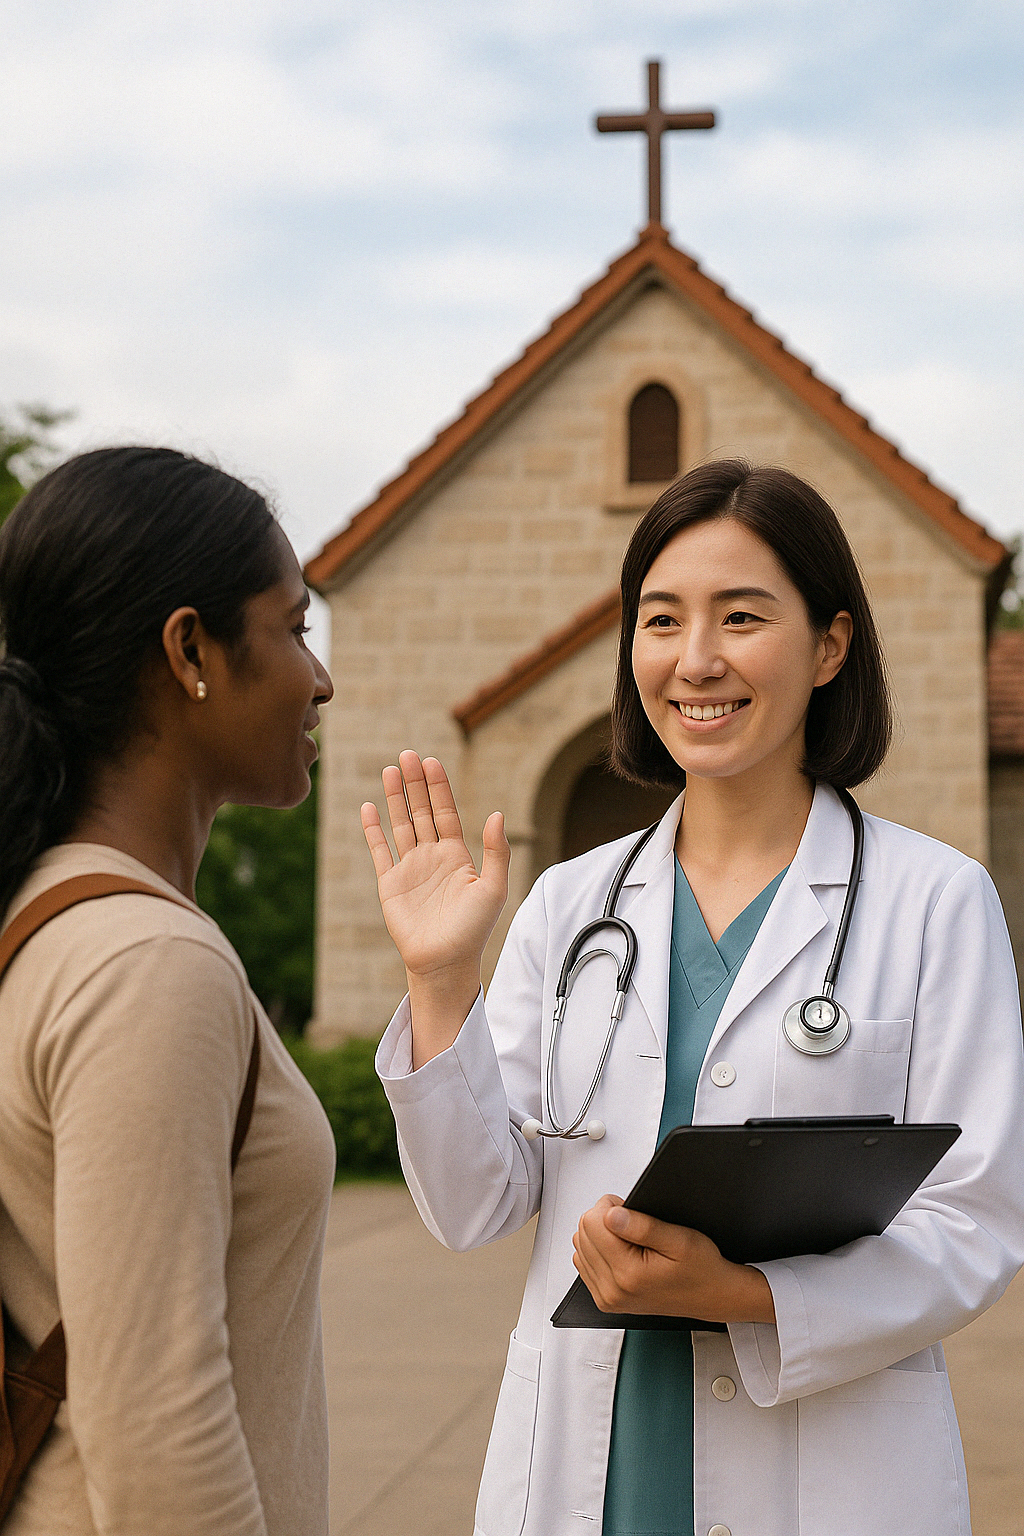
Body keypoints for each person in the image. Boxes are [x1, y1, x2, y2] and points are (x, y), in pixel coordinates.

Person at [363, 459, 1024, 1536]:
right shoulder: (569, 905)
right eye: (660, 620)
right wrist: (440, 983)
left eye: (741, 616)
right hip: (598, 1467)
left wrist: (748, 1300)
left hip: (830, 1471)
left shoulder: (934, 901)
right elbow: (473, 1204)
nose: (696, 660)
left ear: (829, 645)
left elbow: (975, 1220)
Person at [0, 446, 335, 1536]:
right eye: (292, 628)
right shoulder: (148, 966)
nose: (319, 678)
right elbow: (159, 1443)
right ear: (191, 649)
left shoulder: (44, 916)